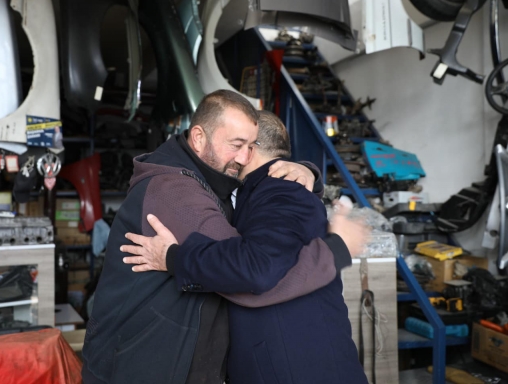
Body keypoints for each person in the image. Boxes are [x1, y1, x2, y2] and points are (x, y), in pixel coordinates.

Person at [81, 90, 367, 384]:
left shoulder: (218, 182)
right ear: (199, 137)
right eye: (237, 145)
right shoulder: (176, 192)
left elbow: (256, 264)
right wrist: (335, 252)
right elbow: (251, 274)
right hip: (141, 365)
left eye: (250, 147)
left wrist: (308, 173)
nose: (243, 157)